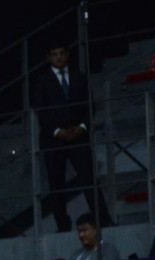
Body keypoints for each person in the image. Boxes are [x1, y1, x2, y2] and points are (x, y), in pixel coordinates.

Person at [30, 42, 113, 232]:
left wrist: (82, 127)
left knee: (89, 180)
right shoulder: (41, 81)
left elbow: (89, 106)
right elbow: (40, 110)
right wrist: (57, 131)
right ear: (48, 57)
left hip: (79, 137)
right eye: (54, 54)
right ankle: (62, 226)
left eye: (61, 53)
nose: (58, 57)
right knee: (56, 186)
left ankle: (103, 220)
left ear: (67, 55)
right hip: (53, 140)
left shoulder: (79, 78)